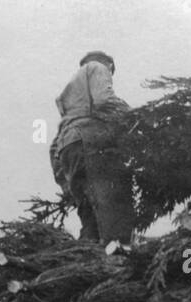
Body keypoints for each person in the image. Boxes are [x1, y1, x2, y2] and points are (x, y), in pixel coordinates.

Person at [51, 50, 135, 247]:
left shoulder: (68, 104)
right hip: (90, 140)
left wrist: (67, 185)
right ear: (109, 66)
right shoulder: (98, 68)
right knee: (113, 204)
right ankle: (118, 258)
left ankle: (86, 261)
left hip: (70, 148)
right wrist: (135, 115)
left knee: (89, 214)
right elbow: (104, 100)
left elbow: (54, 151)